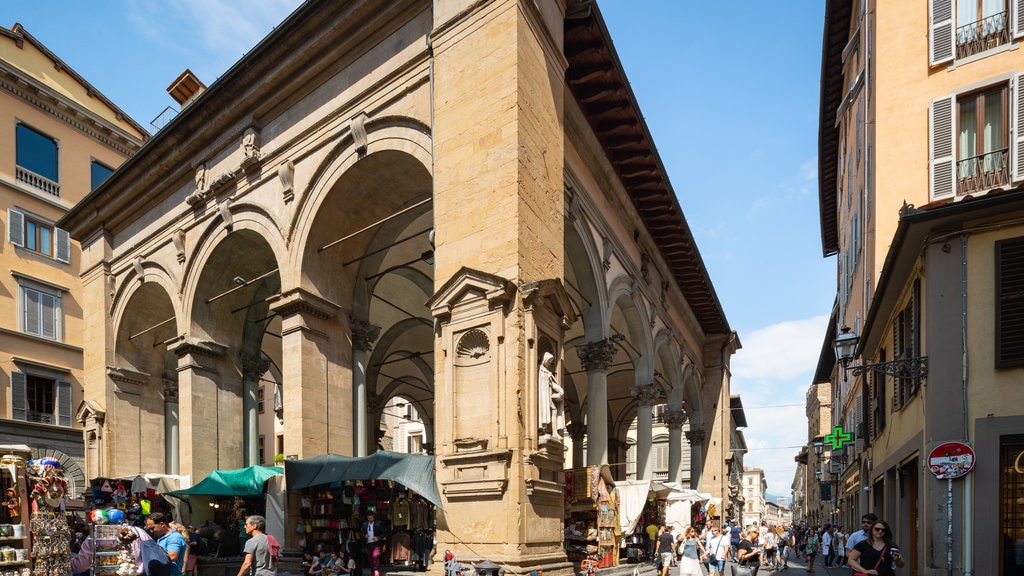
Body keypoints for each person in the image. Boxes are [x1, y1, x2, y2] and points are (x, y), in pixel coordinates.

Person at [71, 520, 152, 575]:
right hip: (137, 573)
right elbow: (151, 551)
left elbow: (81, 565)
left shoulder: (93, 537)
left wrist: (69, 563)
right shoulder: (139, 531)